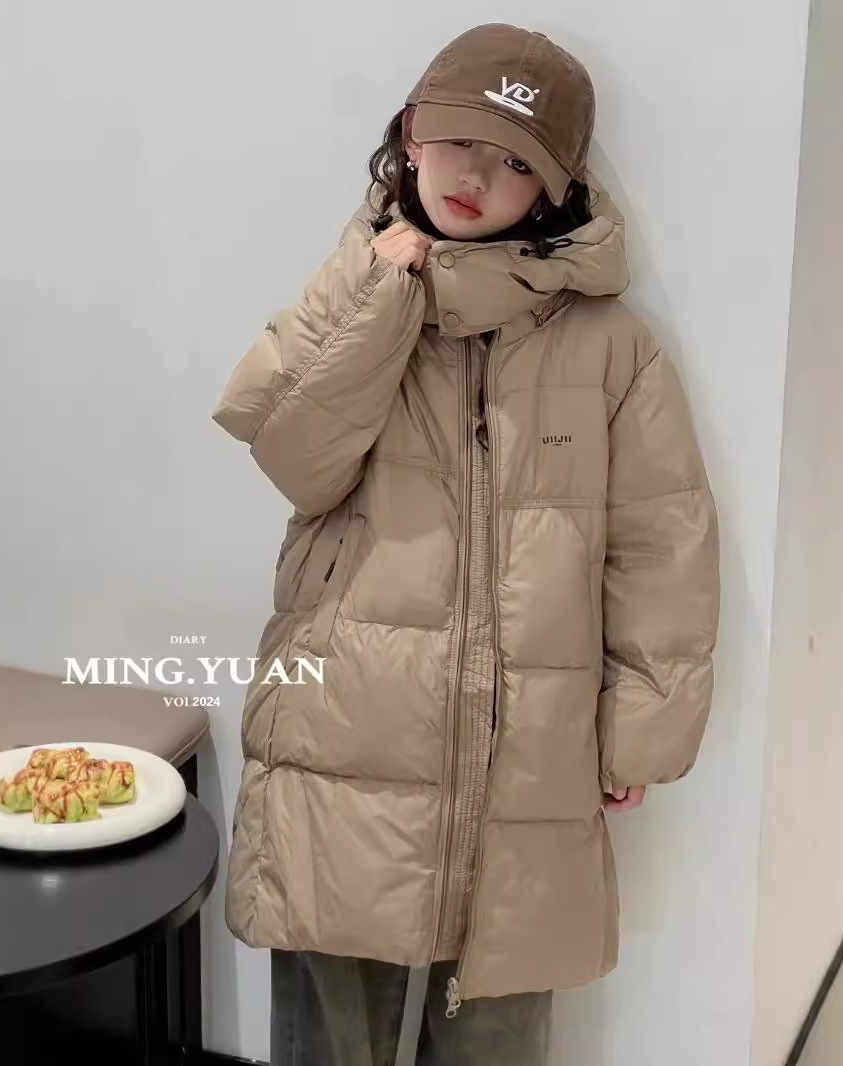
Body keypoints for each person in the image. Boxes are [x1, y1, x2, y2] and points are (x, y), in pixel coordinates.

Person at [211, 22, 720, 1066]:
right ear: (410, 135)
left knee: (499, 1019)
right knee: (328, 1020)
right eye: (460, 143)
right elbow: (294, 457)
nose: (477, 179)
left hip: (528, 746)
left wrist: (641, 723)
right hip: (344, 725)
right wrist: (378, 295)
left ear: (556, 188)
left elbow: (661, 538)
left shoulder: (610, 348)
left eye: (517, 162)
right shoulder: (355, 288)